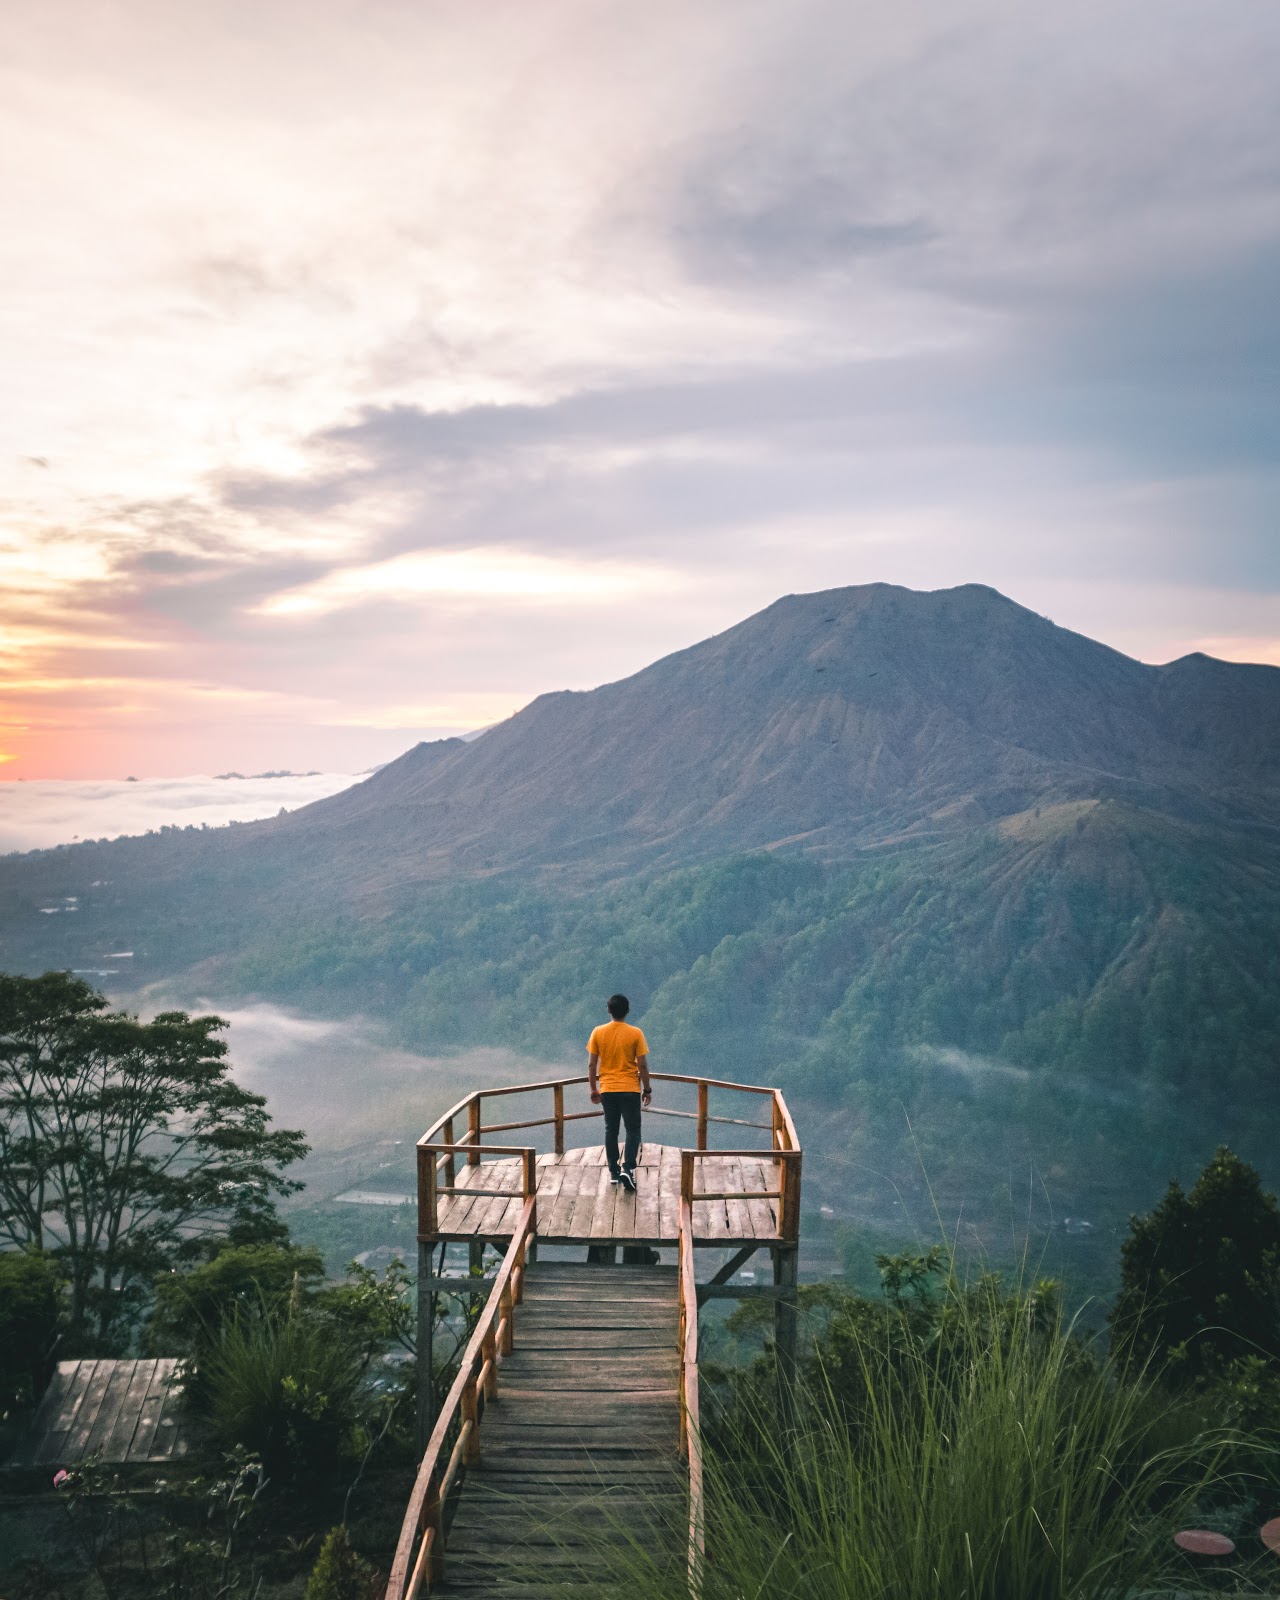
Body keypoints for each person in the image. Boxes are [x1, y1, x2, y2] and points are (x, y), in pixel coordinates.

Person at [587, 993, 652, 1193]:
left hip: (608, 1089)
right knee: (633, 1130)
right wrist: (647, 1089)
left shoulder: (598, 1032)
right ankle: (628, 1168)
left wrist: (593, 1088)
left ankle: (614, 1172)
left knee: (611, 1130)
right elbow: (641, 1064)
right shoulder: (636, 1033)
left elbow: (591, 1064)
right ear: (628, 1011)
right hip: (630, 1089)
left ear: (609, 1010)